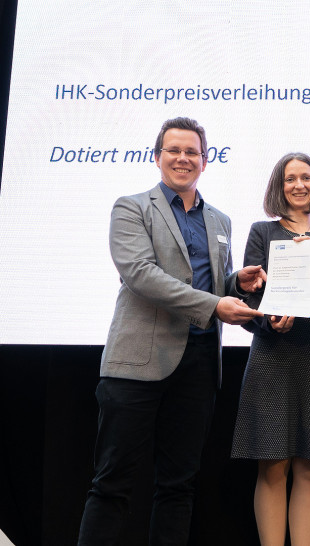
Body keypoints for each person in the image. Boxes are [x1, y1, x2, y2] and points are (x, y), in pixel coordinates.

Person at [78, 117, 266, 545]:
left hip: (198, 365)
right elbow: (142, 275)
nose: (183, 158)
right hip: (137, 366)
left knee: (178, 487)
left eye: (192, 152)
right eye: (174, 150)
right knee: (111, 486)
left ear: (205, 160)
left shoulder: (220, 220)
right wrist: (216, 304)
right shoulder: (131, 207)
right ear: (158, 156)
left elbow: (209, 281)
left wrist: (237, 283)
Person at [231, 153, 310, 546]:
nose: (298, 185)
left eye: (306, 177)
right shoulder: (262, 232)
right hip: (272, 354)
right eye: (290, 179)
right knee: (272, 465)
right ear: (278, 186)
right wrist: (267, 319)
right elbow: (249, 297)